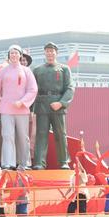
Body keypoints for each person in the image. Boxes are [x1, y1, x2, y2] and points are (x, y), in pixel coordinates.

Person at [0, 45, 38, 170]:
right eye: (11, 53)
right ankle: (8, 163)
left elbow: (33, 89)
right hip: (6, 109)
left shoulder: (26, 71)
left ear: (20, 55)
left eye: (16, 53)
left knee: (22, 136)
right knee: (7, 135)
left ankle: (24, 163)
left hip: (22, 110)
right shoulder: (3, 71)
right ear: (9, 55)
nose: (14, 55)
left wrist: (23, 101)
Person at [32, 42, 74, 170]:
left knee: (60, 134)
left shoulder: (64, 69)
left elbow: (70, 88)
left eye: (52, 51)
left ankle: (63, 162)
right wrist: (31, 108)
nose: (50, 53)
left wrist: (61, 103)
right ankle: (39, 163)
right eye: (47, 51)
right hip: (42, 104)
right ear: (44, 53)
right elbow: (33, 90)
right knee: (41, 134)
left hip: (57, 104)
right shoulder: (38, 70)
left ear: (57, 53)